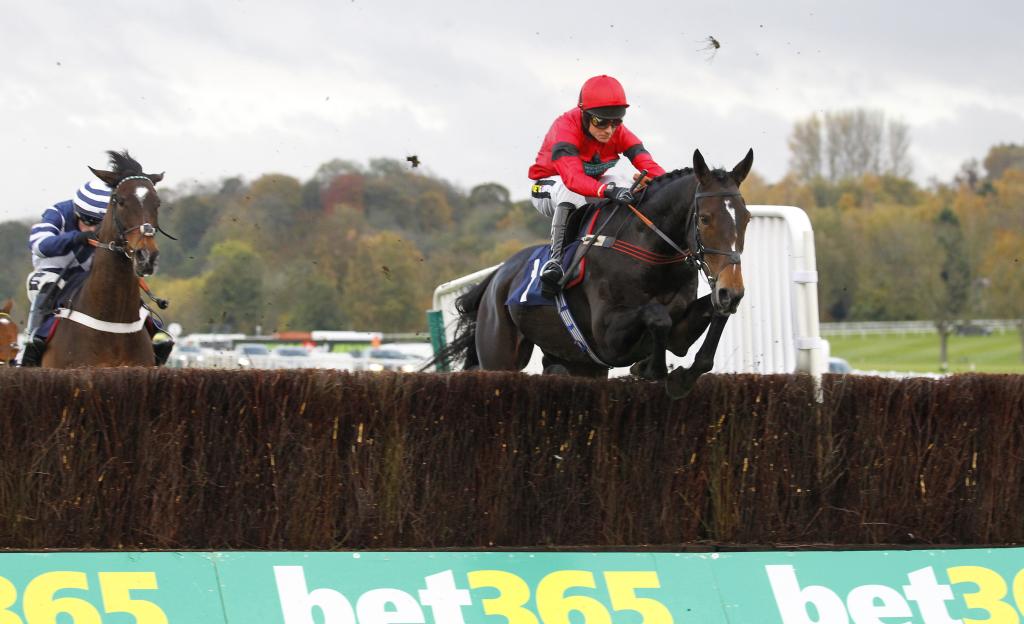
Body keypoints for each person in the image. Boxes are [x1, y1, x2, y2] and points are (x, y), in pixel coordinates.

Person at [528, 74, 667, 297]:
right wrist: (607, 191)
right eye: (600, 121)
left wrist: (661, 183)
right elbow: (572, 178)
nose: (609, 130)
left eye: (616, 121)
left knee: (624, 182)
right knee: (572, 190)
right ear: (583, 114)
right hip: (547, 187)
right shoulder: (565, 127)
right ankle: (556, 263)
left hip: (586, 188)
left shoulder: (617, 131)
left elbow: (648, 164)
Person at [19, 179, 172, 366]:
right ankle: (33, 341)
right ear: (76, 213)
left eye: (99, 223)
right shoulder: (58, 212)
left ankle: (155, 332)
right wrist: (77, 237)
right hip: (57, 270)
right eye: (88, 221)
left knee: (120, 287)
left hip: (93, 272)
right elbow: (40, 245)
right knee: (45, 285)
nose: (93, 229)